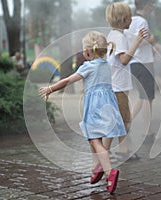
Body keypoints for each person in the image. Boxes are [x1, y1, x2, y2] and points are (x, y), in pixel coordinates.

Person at [39, 31, 126, 194]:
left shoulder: (87, 66)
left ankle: (109, 172)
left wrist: (50, 88)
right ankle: (97, 168)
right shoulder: (106, 65)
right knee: (94, 137)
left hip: (94, 106)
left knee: (94, 139)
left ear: (87, 52)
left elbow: (67, 80)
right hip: (109, 104)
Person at [104, 2, 148, 160]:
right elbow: (123, 59)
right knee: (120, 121)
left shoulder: (113, 35)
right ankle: (105, 152)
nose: (132, 20)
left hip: (116, 86)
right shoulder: (119, 37)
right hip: (118, 87)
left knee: (120, 121)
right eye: (130, 17)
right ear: (124, 19)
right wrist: (137, 41)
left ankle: (123, 150)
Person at [126, 0, 156, 136]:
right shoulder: (142, 22)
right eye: (151, 6)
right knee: (148, 98)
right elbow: (140, 43)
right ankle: (147, 131)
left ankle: (127, 122)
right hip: (144, 62)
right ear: (146, 6)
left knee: (142, 96)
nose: (152, 9)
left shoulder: (130, 21)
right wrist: (151, 39)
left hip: (133, 62)